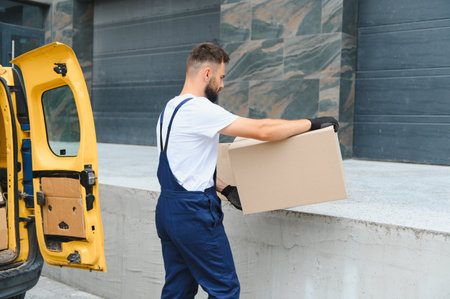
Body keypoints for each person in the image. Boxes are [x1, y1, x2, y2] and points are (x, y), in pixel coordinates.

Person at [155, 42, 338, 299]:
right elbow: (263, 130)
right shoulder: (200, 109)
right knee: (225, 290)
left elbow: (185, 166)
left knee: (179, 289)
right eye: (221, 77)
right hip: (193, 214)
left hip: (167, 211)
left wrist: (224, 188)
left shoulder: (168, 110)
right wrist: (310, 124)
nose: (222, 85)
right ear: (206, 74)